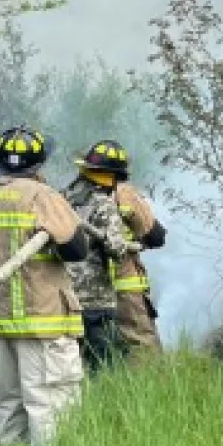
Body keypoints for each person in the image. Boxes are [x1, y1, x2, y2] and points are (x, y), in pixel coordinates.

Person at [0, 126, 89, 446]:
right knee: (50, 402)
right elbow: (78, 250)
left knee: (11, 402)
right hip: (44, 320)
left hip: (2, 321)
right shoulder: (43, 197)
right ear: (38, 164)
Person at [63, 140, 137, 371]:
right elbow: (115, 249)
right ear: (113, 177)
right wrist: (125, 244)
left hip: (64, 300)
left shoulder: (63, 198)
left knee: (72, 369)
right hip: (95, 301)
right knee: (103, 368)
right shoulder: (103, 203)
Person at [109, 145, 167, 354]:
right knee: (142, 346)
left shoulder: (71, 193)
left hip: (84, 292)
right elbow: (156, 236)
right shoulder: (123, 192)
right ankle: (150, 385)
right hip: (124, 286)